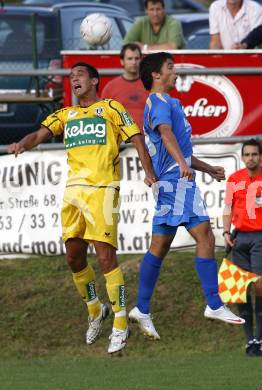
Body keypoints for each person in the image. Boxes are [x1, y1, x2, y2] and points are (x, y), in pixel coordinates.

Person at [7, 62, 157, 354]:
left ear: (94, 81)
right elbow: (38, 135)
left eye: (79, 75)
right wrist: (21, 145)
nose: (74, 79)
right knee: (74, 259)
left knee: (105, 258)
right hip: (73, 193)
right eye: (71, 76)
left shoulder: (111, 108)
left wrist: (148, 172)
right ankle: (95, 309)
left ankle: (121, 322)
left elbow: (137, 138)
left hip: (102, 190)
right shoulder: (66, 114)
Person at [128, 52, 245, 340]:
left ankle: (143, 308)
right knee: (204, 237)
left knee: (161, 245)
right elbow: (166, 135)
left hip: (174, 182)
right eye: (170, 67)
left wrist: (206, 168)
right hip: (175, 183)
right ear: (156, 75)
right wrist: (181, 165)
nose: (175, 70)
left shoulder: (171, 102)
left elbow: (180, 149)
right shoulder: (158, 104)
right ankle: (214, 303)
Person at [223, 139, 262, 357]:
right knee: (239, 290)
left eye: (254, 154)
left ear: (260, 156)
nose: (250, 158)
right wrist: (226, 232)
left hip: (260, 238)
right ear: (242, 156)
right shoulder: (234, 180)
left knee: (260, 287)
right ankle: (250, 341)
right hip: (239, 240)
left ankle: (260, 338)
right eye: (246, 154)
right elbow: (227, 207)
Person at [101, 43, 148, 132]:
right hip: (122, 142)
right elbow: (103, 117)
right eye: (130, 59)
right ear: (122, 61)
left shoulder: (149, 85)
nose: (134, 62)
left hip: (147, 140)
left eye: (137, 58)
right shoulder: (110, 87)